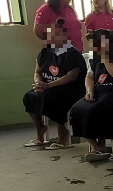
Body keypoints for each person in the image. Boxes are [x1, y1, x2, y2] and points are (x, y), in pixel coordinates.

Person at [69, 29, 113, 162]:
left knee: (97, 110)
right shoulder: (96, 58)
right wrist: (89, 90)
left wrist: (106, 59)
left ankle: (101, 146)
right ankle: (96, 146)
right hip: (99, 93)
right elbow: (90, 76)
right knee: (77, 109)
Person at [22, 19, 87, 149]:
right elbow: (37, 72)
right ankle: (40, 129)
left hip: (70, 89)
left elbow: (71, 77)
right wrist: (38, 83)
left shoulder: (72, 54)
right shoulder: (45, 52)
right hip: (48, 87)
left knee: (52, 97)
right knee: (29, 96)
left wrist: (48, 86)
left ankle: (62, 132)